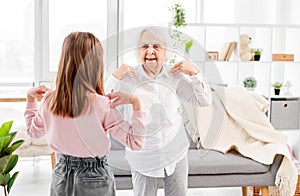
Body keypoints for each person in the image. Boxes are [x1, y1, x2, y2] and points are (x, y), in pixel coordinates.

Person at [24, 32, 146, 196]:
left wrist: (30, 98)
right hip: (95, 177)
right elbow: (135, 142)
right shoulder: (102, 104)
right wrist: (136, 102)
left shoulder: (49, 100)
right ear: (95, 64)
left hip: (61, 174)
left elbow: (33, 132)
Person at [106, 28, 212, 196]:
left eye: (156, 46)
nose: (150, 51)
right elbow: (101, 104)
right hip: (143, 155)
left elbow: (204, 100)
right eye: (144, 46)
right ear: (138, 51)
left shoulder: (175, 76)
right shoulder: (128, 78)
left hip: (176, 152)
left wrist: (194, 73)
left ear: (166, 51)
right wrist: (115, 76)